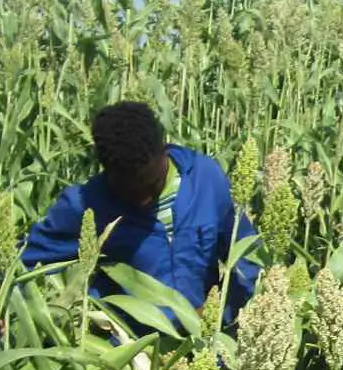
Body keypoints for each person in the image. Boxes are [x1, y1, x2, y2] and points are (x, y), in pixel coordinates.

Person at [21, 101, 260, 331]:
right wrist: (2, 293)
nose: (144, 199)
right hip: (129, 351)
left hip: (204, 339)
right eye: (128, 191)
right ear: (106, 170)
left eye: (151, 185)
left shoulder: (205, 179)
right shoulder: (86, 206)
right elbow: (30, 262)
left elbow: (246, 254)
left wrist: (225, 312)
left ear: (163, 149)